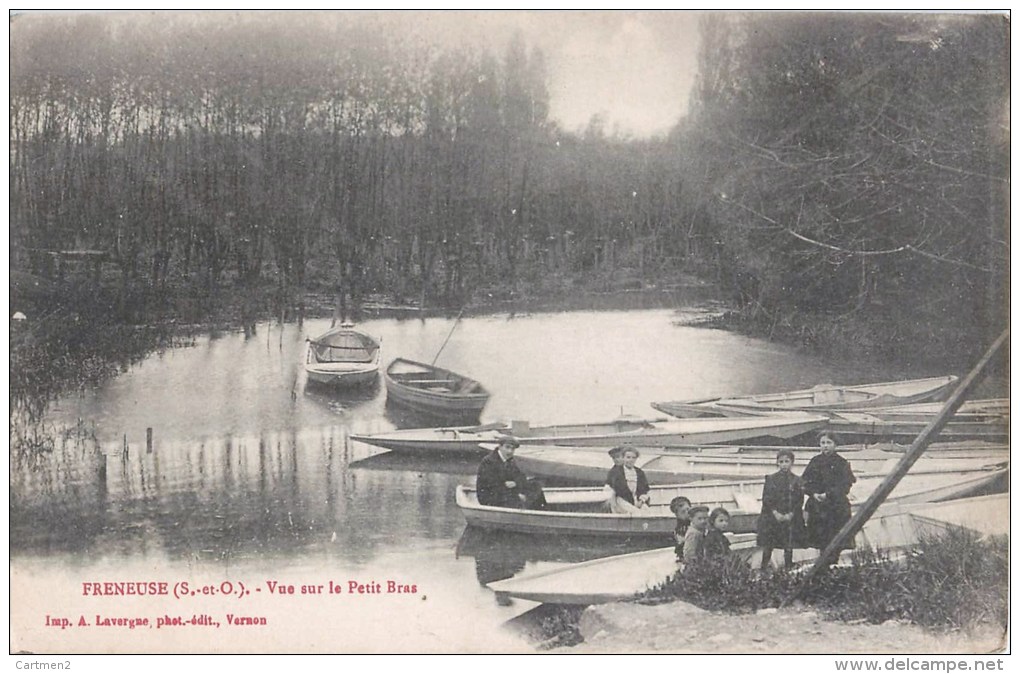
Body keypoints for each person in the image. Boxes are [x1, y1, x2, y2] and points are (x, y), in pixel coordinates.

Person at [801, 432, 857, 552]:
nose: (825, 446)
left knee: (836, 539)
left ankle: (834, 565)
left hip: (836, 506)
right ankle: (823, 565)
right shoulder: (815, 461)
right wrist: (814, 493)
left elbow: (845, 485)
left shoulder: (842, 463)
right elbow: (804, 482)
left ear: (835, 445)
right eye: (823, 443)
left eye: (828, 443)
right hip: (817, 506)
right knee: (820, 541)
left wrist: (828, 494)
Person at [756, 449, 806, 570]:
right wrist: (775, 513)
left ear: (792, 463)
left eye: (787, 461)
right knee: (768, 545)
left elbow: (799, 500)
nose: (784, 464)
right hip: (773, 518)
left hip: (790, 517)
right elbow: (766, 498)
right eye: (781, 461)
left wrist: (791, 514)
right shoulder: (771, 479)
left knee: (788, 545)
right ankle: (763, 568)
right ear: (777, 463)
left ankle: (788, 567)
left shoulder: (797, 480)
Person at [475, 434, 545, 509]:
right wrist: (516, 494)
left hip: (506, 491)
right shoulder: (489, 462)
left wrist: (516, 483)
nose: (510, 451)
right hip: (490, 497)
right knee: (516, 498)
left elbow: (521, 476)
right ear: (500, 447)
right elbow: (492, 485)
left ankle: (541, 511)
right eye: (507, 447)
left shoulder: (509, 460)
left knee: (536, 485)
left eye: (512, 449)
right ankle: (525, 512)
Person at [603, 447, 651, 514]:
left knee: (647, 512)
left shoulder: (639, 472)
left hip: (637, 500)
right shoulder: (615, 472)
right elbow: (611, 490)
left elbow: (645, 490)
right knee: (636, 513)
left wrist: (641, 501)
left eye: (633, 458)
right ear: (623, 458)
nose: (631, 460)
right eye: (628, 457)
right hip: (620, 501)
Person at [670, 496, 693, 561]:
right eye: (683, 512)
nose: (687, 513)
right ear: (677, 515)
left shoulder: (697, 522)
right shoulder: (680, 529)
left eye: (688, 509)